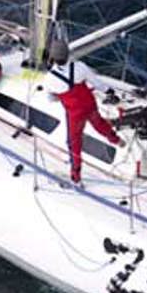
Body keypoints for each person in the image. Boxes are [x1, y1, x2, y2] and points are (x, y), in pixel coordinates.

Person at [44, 39, 124, 184]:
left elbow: (51, 98)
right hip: (89, 104)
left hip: (74, 113)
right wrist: (109, 91)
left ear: (52, 58)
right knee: (99, 123)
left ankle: (76, 175)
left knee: (74, 142)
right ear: (68, 54)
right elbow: (97, 83)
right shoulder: (80, 67)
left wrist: (62, 95)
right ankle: (116, 140)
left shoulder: (49, 78)